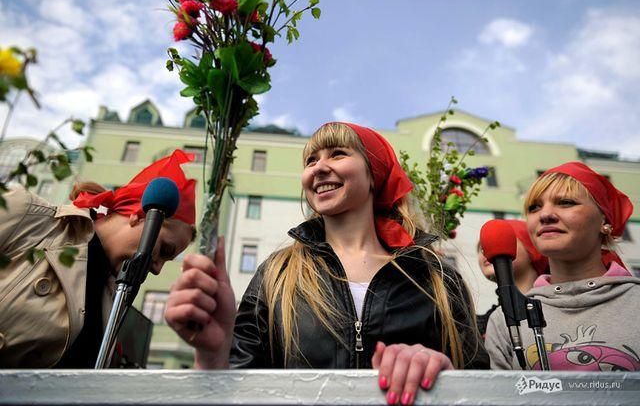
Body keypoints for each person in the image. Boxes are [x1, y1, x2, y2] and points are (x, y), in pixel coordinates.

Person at [166, 122, 488, 405]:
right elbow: (234, 392)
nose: (319, 168)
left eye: (337, 154)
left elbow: (482, 390)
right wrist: (213, 358)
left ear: (374, 174)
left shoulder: (435, 277)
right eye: (311, 160)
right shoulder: (277, 275)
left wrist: (445, 376)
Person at [0, 149, 196, 368]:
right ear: (139, 216)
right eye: (164, 250)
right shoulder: (29, 217)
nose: (158, 269)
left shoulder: (113, 304)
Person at [485, 161, 640, 371]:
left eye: (566, 202)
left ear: (605, 219)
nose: (545, 214)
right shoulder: (505, 320)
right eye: (534, 207)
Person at [476, 220, 549, 337]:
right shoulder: (479, 325)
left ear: (532, 250)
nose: (485, 251)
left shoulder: (555, 308)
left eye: (500, 240)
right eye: (481, 248)